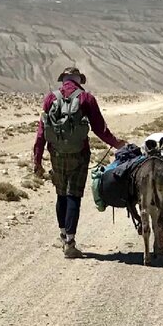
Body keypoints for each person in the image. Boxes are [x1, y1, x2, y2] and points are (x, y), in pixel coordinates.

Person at [33, 66, 124, 258]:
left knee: (61, 194)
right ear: (78, 79)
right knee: (74, 195)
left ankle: (63, 235)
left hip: (56, 155)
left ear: (63, 79)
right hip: (79, 155)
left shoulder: (50, 98)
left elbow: (42, 131)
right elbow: (100, 129)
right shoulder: (86, 98)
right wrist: (117, 144)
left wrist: (37, 159)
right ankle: (70, 243)